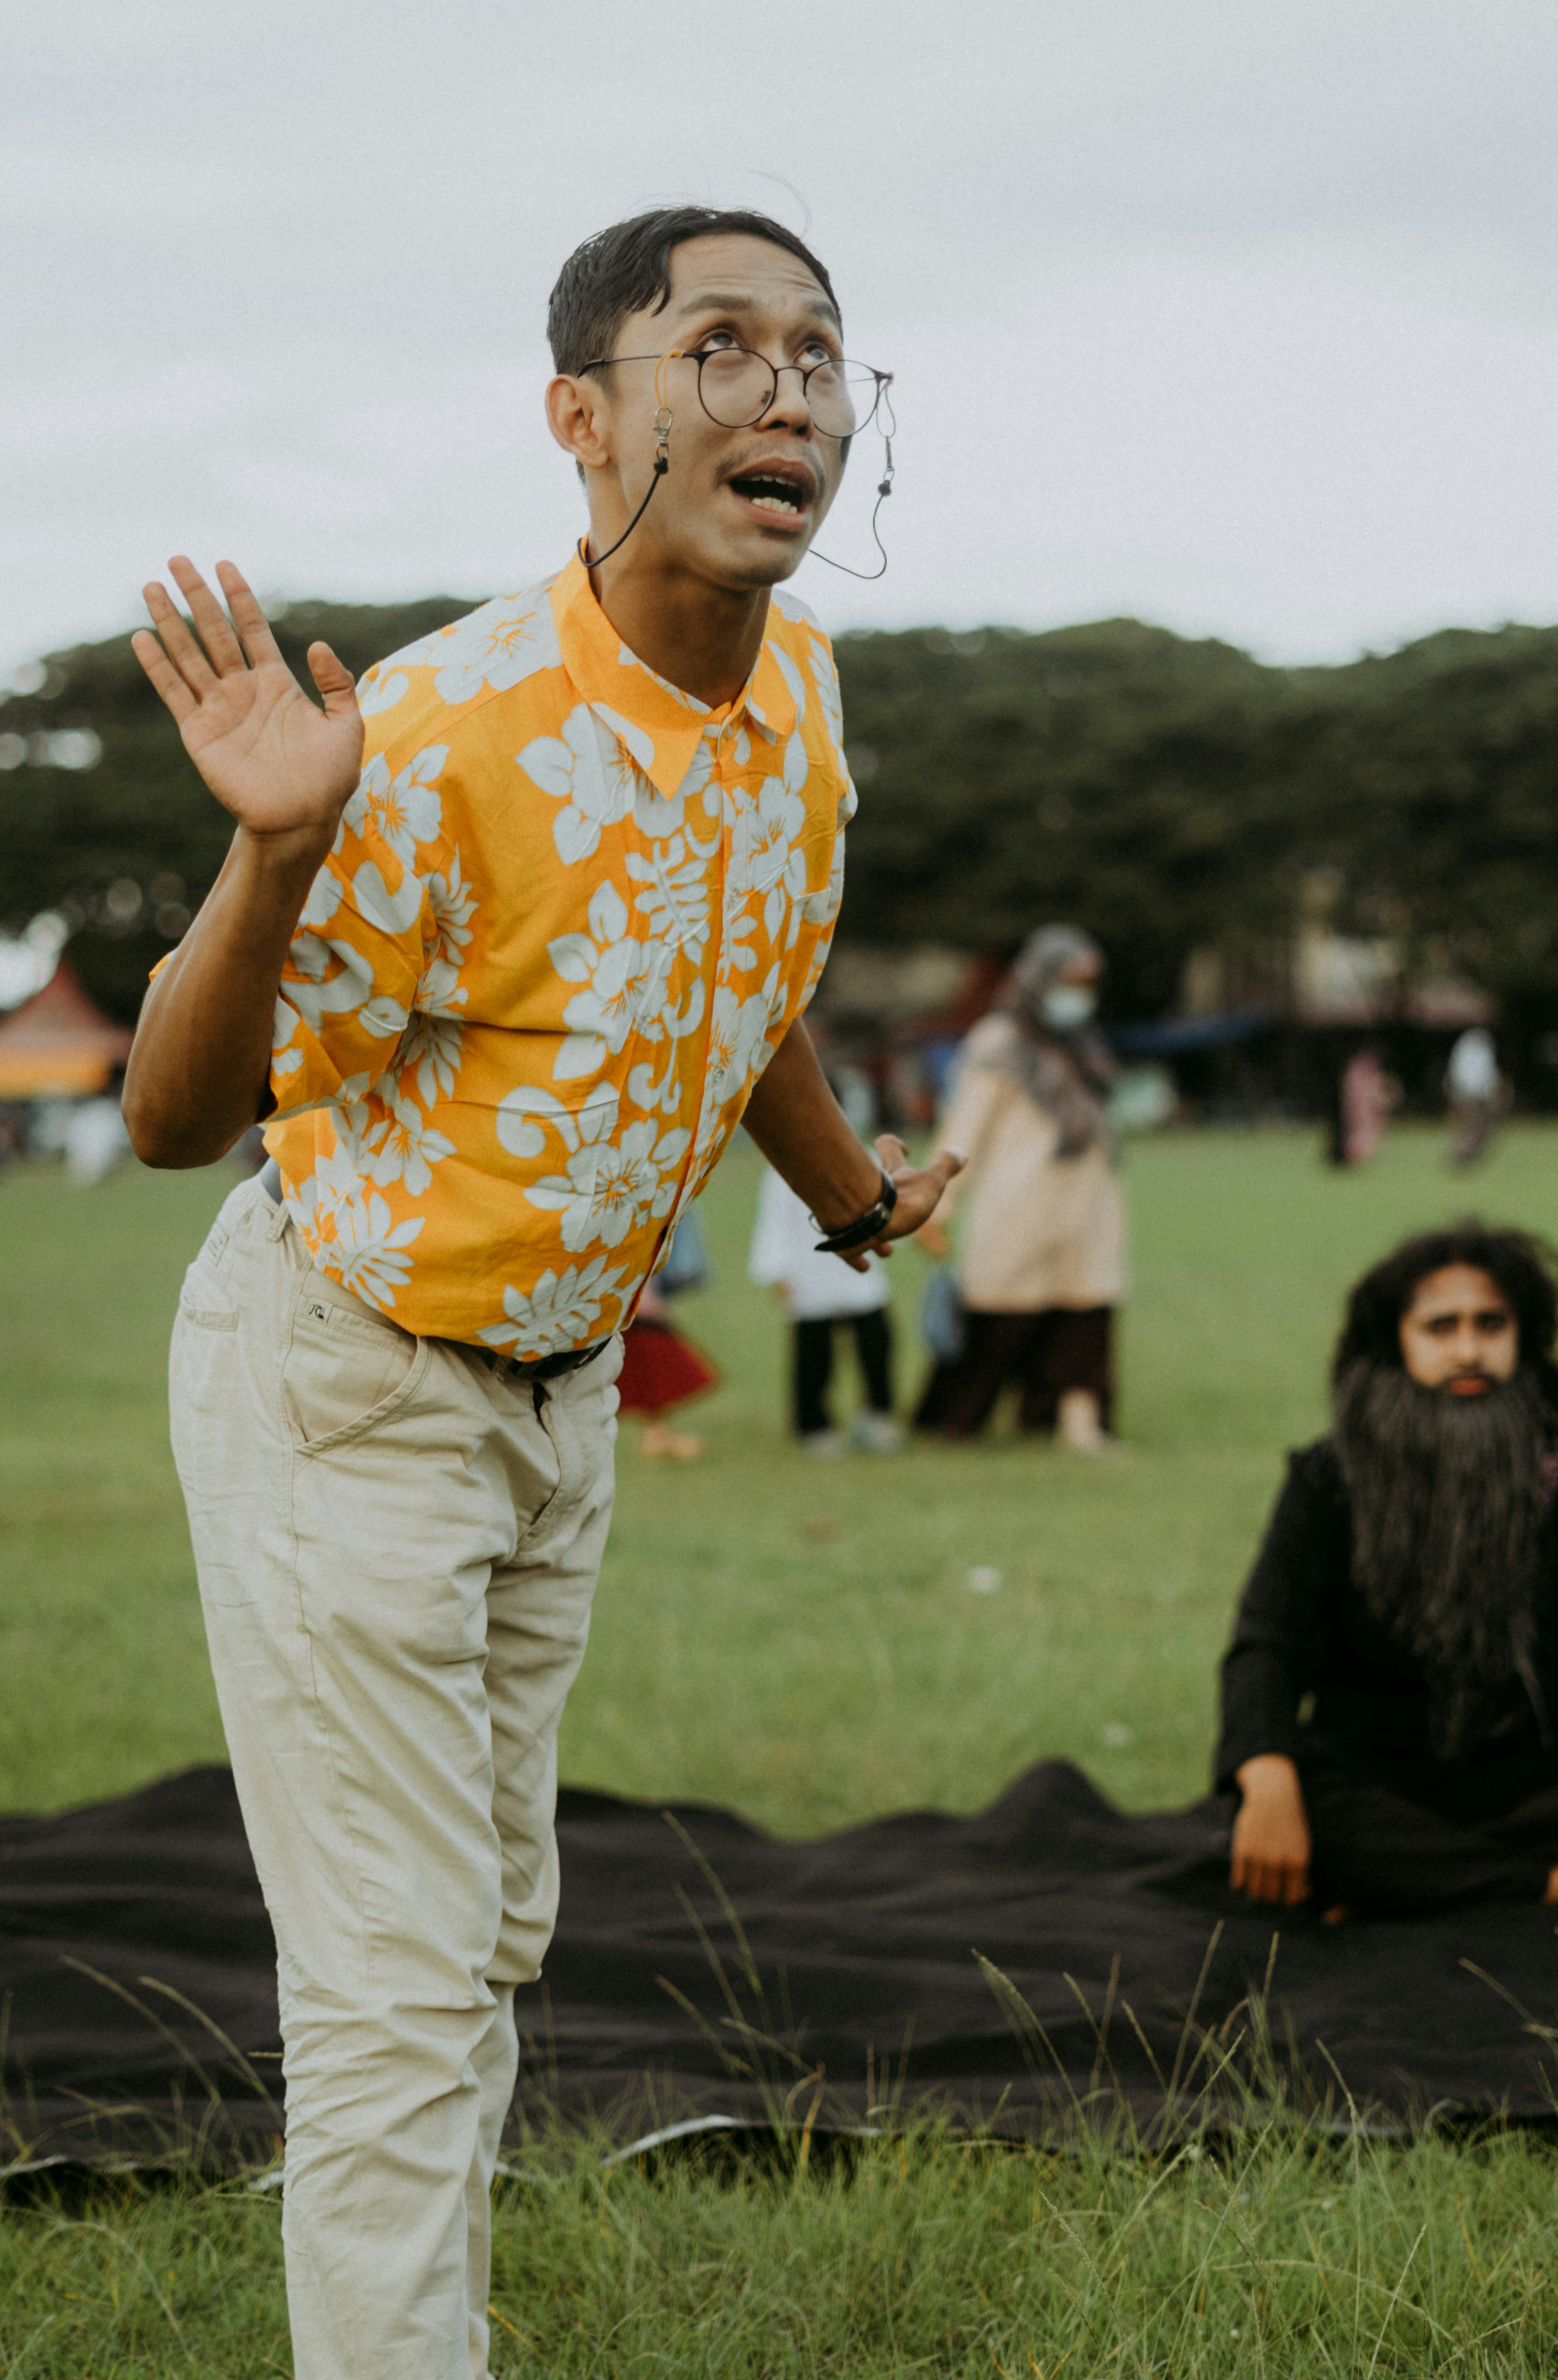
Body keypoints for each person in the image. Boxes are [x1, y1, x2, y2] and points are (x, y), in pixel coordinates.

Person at [121, 206, 961, 2379]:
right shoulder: (433, 735)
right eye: (722, 347)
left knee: (484, 1927)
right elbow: (162, 1110)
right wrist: (274, 850)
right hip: (349, 1373)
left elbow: (744, 970)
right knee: (398, 1969)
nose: (788, 392)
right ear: (583, 420)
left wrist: (851, 1193)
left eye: (819, 352)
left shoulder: (797, 690)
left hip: (556, 1390)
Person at [1218, 1223, 1558, 1917]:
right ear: (1396, 1342)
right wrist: (1267, 1780)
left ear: (1525, 1336)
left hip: (1527, 1771)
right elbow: (1266, 1640)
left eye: (1490, 1323)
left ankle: (1413, 1877)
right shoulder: (1329, 1477)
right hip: (1373, 1773)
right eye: (1440, 1326)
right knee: (1289, 1790)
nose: (1469, 1348)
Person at [912, 924, 1124, 1453]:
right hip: (1017, 1203)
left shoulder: (1083, 1045)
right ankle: (960, 1421)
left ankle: (1077, 1424)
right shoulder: (998, 1044)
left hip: (1086, 1203)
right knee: (998, 1317)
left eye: (1087, 983)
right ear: (1038, 977)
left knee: (1085, 1314)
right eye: (1068, 981)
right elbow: (965, 1130)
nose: (1077, 995)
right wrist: (937, 1205)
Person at [750, 1160, 901, 1455]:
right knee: (814, 1357)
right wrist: (778, 1273)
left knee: (876, 1346)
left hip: (861, 1274)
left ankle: (878, 1415)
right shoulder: (784, 1172)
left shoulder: (862, 1158)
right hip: (809, 1274)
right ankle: (814, 1425)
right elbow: (774, 1223)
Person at [1445, 1025, 1501, 1167]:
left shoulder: (1472, 1049)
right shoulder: (1471, 1050)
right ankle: (1465, 1151)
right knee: (1471, 1124)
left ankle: (1467, 1151)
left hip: (1474, 1092)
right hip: (1472, 1093)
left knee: (1476, 1124)